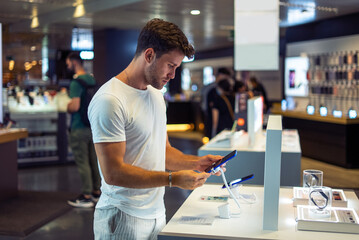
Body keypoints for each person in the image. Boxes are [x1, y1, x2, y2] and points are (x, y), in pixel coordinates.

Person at [88, 18, 224, 240]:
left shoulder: (156, 95)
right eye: (170, 66)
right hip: (122, 216)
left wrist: (196, 163)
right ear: (149, 55)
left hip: (156, 213)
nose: (173, 75)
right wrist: (173, 180)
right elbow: (113, 173)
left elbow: (163, 151)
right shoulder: (110, 100)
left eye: (176, 68)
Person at [66, 52, 101, 208]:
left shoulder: (76, 83)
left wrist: (66, 106)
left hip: (79, 127)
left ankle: (86, 195)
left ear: (74, 62)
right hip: (93, 127)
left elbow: (75, 106)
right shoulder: (92, 80)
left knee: (82, 161)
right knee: (94, 160)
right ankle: (96, 192)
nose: (67, 66)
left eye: (68, 63)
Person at [204, 67, 232, 138]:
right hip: (215, 125)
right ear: (220, 75)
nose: (226, 80)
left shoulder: (224, 91)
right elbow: (208, 109)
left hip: (221, 126)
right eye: (225, 77)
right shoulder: (212, 90)